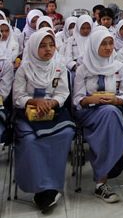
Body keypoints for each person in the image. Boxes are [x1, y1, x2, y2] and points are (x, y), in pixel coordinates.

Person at [73, 29, 123, 202]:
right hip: (88, 113)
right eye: (103, 44)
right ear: (94, 46)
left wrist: (116, 100)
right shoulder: (83, 69)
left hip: (112, 112)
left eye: (110, 43)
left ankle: (101, 184)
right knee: (111, 114)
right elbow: (77, 100)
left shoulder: (118, 67)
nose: (109, 48)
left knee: (110, 114)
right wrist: (91, 99)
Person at [12, 30, 75, 212]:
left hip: (53, 111)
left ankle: (51, 187)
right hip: (28, 113)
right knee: (30, 140)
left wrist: (51, 103)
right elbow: (18, 97)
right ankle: (40, 188)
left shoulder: (59, 66)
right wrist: (34, 102)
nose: (48, 49)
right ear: (33, 47)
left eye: (51, 45)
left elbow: (62, 93)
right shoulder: (24, 68)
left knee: (65, 133)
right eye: (42, 46)